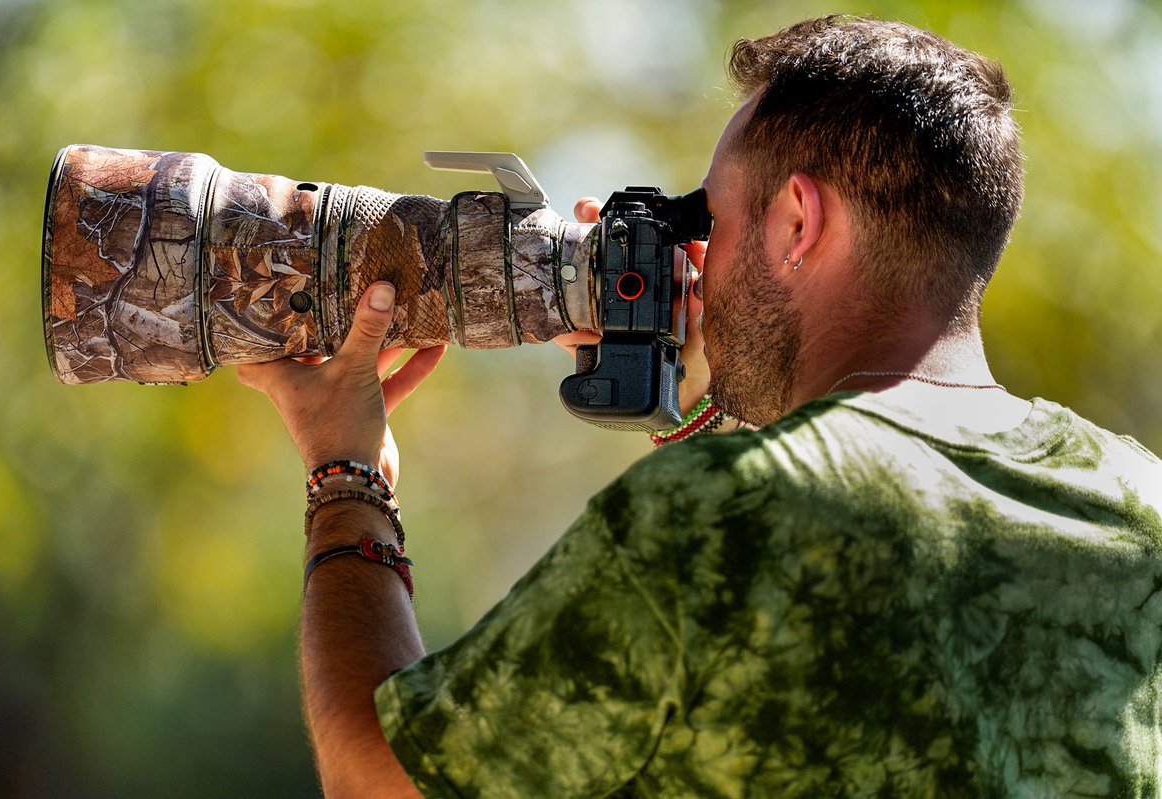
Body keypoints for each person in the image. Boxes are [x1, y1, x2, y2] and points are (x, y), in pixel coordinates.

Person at [238, 15, 1162, 798]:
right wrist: (679, 402)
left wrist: (345, 469)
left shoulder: (714, 515)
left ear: (798, 221)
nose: (696, 265)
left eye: (708, 221)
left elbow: (381, 777)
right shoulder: (1137, 504)